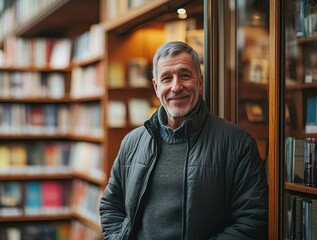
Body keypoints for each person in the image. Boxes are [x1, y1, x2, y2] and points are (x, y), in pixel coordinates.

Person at [99, 41, 268, 239]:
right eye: (166, 78)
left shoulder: (238, 144)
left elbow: (251, 221)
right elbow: (111, 206)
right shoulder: (132, 142)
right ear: (156, 86)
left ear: (200, 82)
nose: (176, 87)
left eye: (185, 75)